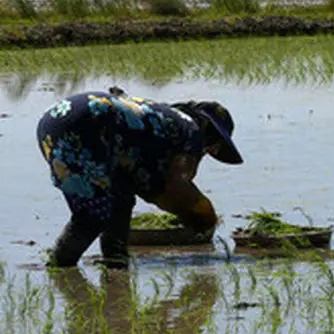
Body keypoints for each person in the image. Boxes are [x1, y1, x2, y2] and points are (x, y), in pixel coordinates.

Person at [36, 89, 243, 268]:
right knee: (90, 216)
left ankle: (115, 261)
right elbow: (174, 187)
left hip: (54, 121)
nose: (208, 153)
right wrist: (204, 217)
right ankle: (59, 267)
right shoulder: (192, 132)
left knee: (120, 195)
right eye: (213, 149)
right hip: (90, 124)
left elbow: (140, 180)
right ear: (211, 136)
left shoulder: (165, 122)